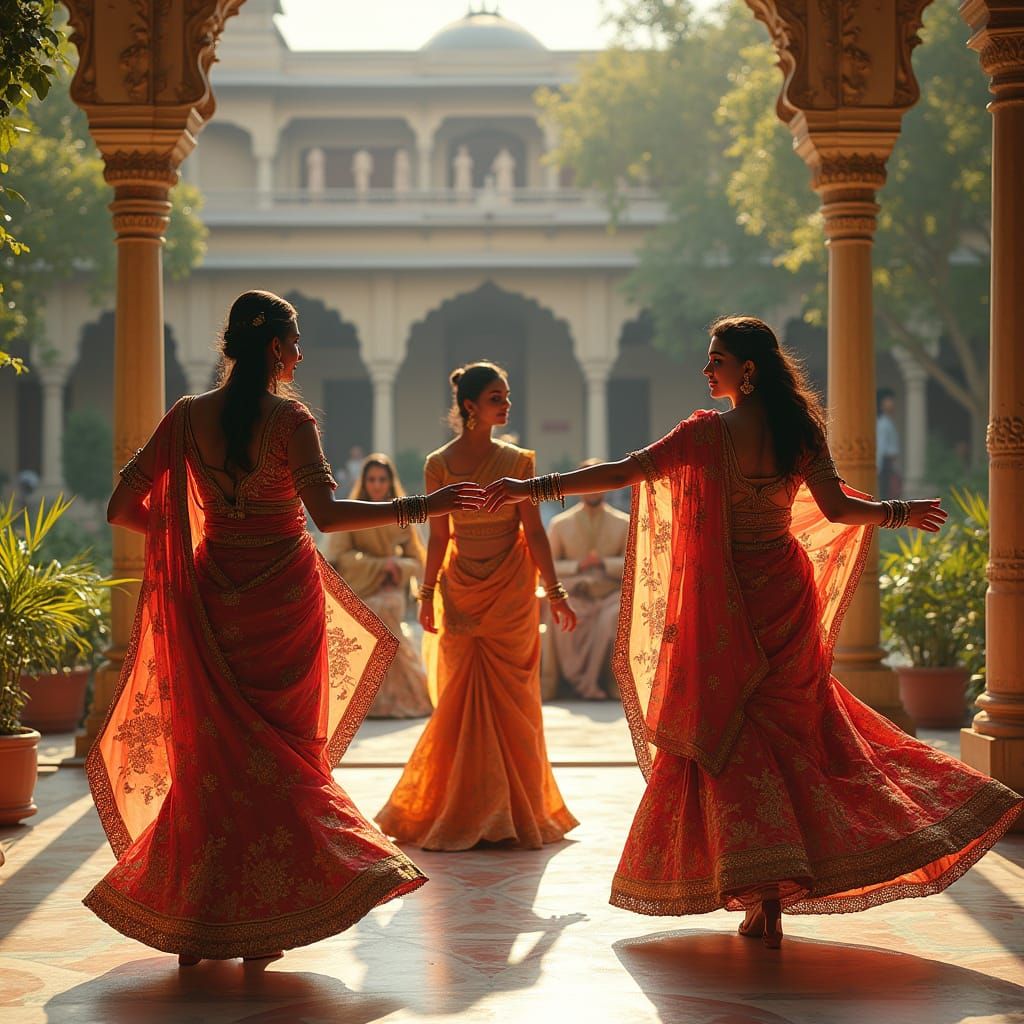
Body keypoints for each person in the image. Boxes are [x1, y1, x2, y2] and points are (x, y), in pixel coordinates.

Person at [484, 315, 1022, 947]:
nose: (705, 370)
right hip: (784, 596)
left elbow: (622, 471)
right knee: (795, 738)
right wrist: (897, 512)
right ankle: (772, 889)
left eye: (715, 359)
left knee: (734, 741)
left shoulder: (704, 435)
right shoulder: (799, 430)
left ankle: (764, 891)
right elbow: (840, 508)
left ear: (747, 369)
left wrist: (535, 487)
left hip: (727, 604)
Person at [88, 290, 485, 964]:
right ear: (275, 349)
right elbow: (325, 517)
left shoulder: (186, 418)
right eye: (296, 344)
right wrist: (424, 505)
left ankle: (201, 918)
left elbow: (122, 506)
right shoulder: (291, 420)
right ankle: (268, 922)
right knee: (286, 759)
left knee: (212, 762)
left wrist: (186, 539)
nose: (300, 355)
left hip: (213, 600)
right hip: (282, 601)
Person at [376, 361, 580, 850]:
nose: (506, 404)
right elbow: (439, 536)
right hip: (461, 592)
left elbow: (534, 533)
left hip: (511, 594)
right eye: (496, 397)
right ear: (470, 406)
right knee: (458, 703)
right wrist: (425, 596)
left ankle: (514, 811)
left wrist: (555, 594)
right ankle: (463, 808)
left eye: (507, 395)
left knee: (518, 706)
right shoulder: (438, 463)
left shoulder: (519, 462)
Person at [329, 453, 433, 718]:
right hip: (357, 589)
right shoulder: (350, 511)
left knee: (384, 610)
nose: (377, 485)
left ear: (390, 482)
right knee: (368, 615)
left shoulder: (401, 514)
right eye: (372, 479)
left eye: (382, 479)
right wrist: (380, 565)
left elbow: (417, 560)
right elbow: (341, 556)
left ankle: (394, 700)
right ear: (364, 481)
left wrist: (396, 567)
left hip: (391, 588)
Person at [546, 459, 630, 699]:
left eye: (598, 484)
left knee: (612, 618)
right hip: (574, 594)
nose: (593, 489)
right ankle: (575, 682)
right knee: (563, 616)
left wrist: (604, 562)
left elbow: (634, 562)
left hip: (610, 596)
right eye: (588, 484)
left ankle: (610, 684)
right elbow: (547, 565)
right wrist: (577, 566)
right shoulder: (560, 524)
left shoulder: (623, 523)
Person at [876, 387, 901, 500]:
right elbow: (880, 447)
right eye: (888, 400)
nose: (892, 403)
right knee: (885, 495)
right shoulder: (883, 423)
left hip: (889, 464)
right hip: (884, 465)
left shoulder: (887, 421)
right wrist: (878, 468)